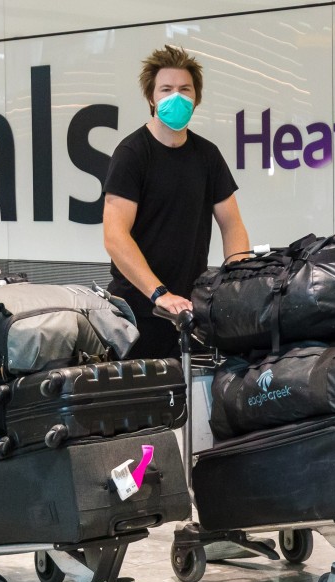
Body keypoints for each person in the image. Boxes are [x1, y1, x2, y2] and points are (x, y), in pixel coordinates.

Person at [103, 44, 251, 359]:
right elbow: (115, 236)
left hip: (190, 311)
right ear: (151, 98)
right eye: (166, 89)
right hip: (137, 314)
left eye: (185, 90)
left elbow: (232, 224)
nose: (177, 97)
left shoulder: (207, 155)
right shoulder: (132, 154)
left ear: (196, 98)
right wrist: (159, 293)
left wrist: (239, 284)